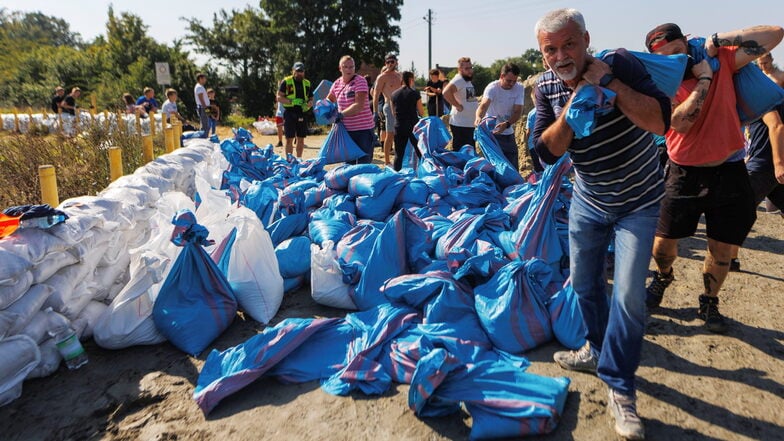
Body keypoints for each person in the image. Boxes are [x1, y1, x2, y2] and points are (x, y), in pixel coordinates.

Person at [532, 8, 671, 440]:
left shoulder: (622, 63)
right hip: (589, 202)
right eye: (550, 50)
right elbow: (544, 154)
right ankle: (594, 346)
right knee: (585, 285)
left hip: (639, 203)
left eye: (569, 44)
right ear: (542, 56)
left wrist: (608, 83)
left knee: (629, 297)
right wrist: (571, 113)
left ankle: (620, 387)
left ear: (586, 39)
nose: (560, 55)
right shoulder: (546, 87)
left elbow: (659, 121)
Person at [644, 23, 784, 333]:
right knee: (662, 246)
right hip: (683, 173)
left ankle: (709, 299)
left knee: (722, 251)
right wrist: (705, 77)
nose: (676, 63)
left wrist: (719, 40)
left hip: (730, 171)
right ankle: (664, 275)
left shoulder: (721, 57)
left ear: (686, 43)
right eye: (667, 58)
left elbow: (775, 33)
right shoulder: (658, 83)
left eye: (679, 53)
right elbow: (679, 123)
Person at [327, 55, 376, 164]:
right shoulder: (337, 84)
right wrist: (323, 106)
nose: (349, 70)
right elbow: (329, 100)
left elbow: (359, 105)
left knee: (364, 165)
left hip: (363, 131)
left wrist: (340, 114)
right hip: (346, 132)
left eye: (351, 67)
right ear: (340, 68)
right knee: (348, 166)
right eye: (346, 67)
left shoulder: (360, 81)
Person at [475, 63, 525, 170]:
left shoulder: (519, 88)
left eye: (514, 81)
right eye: (509, 81)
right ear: (501, 76)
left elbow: (517, 112)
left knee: (512, 166)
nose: (511, 84)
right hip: (492, 134)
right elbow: (483, 105)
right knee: (494, 166)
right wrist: (478, 117)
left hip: (508, 133)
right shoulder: (492, 88)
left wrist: (506, 124)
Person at [277, 62, 314, 158]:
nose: (299, 73)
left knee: (301, 139)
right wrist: (291, 101)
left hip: (302, 113)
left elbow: (311, 98)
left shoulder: (307, 83)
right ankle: (289, 162)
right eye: (297, 71)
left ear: (304, 72)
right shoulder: (286, 82)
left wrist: (309, 105)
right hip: (289, 113)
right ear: (293, 71)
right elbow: (279, 97)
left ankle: (299, 160)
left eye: (301, 71)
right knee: (289, 139)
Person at [390, 71, 424, 171]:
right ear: (410, 79)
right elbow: (421, 112)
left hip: (399, 126)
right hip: (413, 126)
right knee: (419, 152)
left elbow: (393, 113)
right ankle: (424, 172)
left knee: (398, 154)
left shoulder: (394, 94)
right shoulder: (415, 94)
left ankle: (396, 175)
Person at [443, 57, 479, 150]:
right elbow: (446, 92)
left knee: (469, 153)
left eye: (471, 67)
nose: (470, 71)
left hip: (468, 124)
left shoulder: (466, 81)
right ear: (459, 69)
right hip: (461, 125)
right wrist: (457, 105)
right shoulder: (459, 80)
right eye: (466, 68)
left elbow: (469, 99)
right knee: (461, 154)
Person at [374, 53, 403, 165]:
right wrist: (376, 112)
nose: (390, 64)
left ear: (396, 62)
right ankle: (387, 161)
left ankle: (399, 159)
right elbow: (375, 95)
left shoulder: (399, 75)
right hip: (389, 107)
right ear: (385, 63)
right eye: (388, 62)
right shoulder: (382, 77)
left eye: (392, 61)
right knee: (390, 134)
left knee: (401, 134)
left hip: (401, 108)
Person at [524, 75, 545, 174]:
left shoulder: (531, 113)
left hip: (534, 145)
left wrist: (526, 145)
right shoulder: (547, 110)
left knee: (538, 168)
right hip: (546, 144)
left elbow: (528, 131)